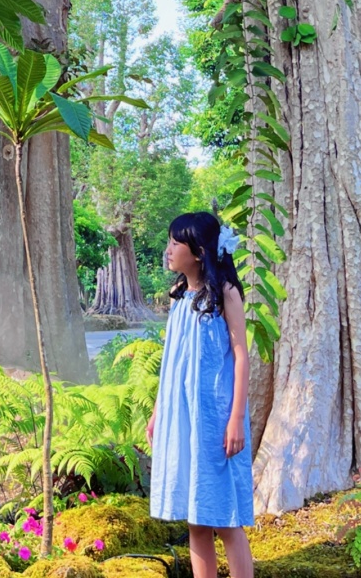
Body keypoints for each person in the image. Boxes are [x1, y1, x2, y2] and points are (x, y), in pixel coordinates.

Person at [147, 211, 254, 578]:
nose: (169, 250)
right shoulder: (179, 295)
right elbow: (172, 361)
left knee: (223, 515)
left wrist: (236, 418)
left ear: (198, 251)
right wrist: (159, 410)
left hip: (215, 416)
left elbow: (241, 357)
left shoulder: (225, 295)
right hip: (183, 415)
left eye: (175, 243)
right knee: (195, 516)